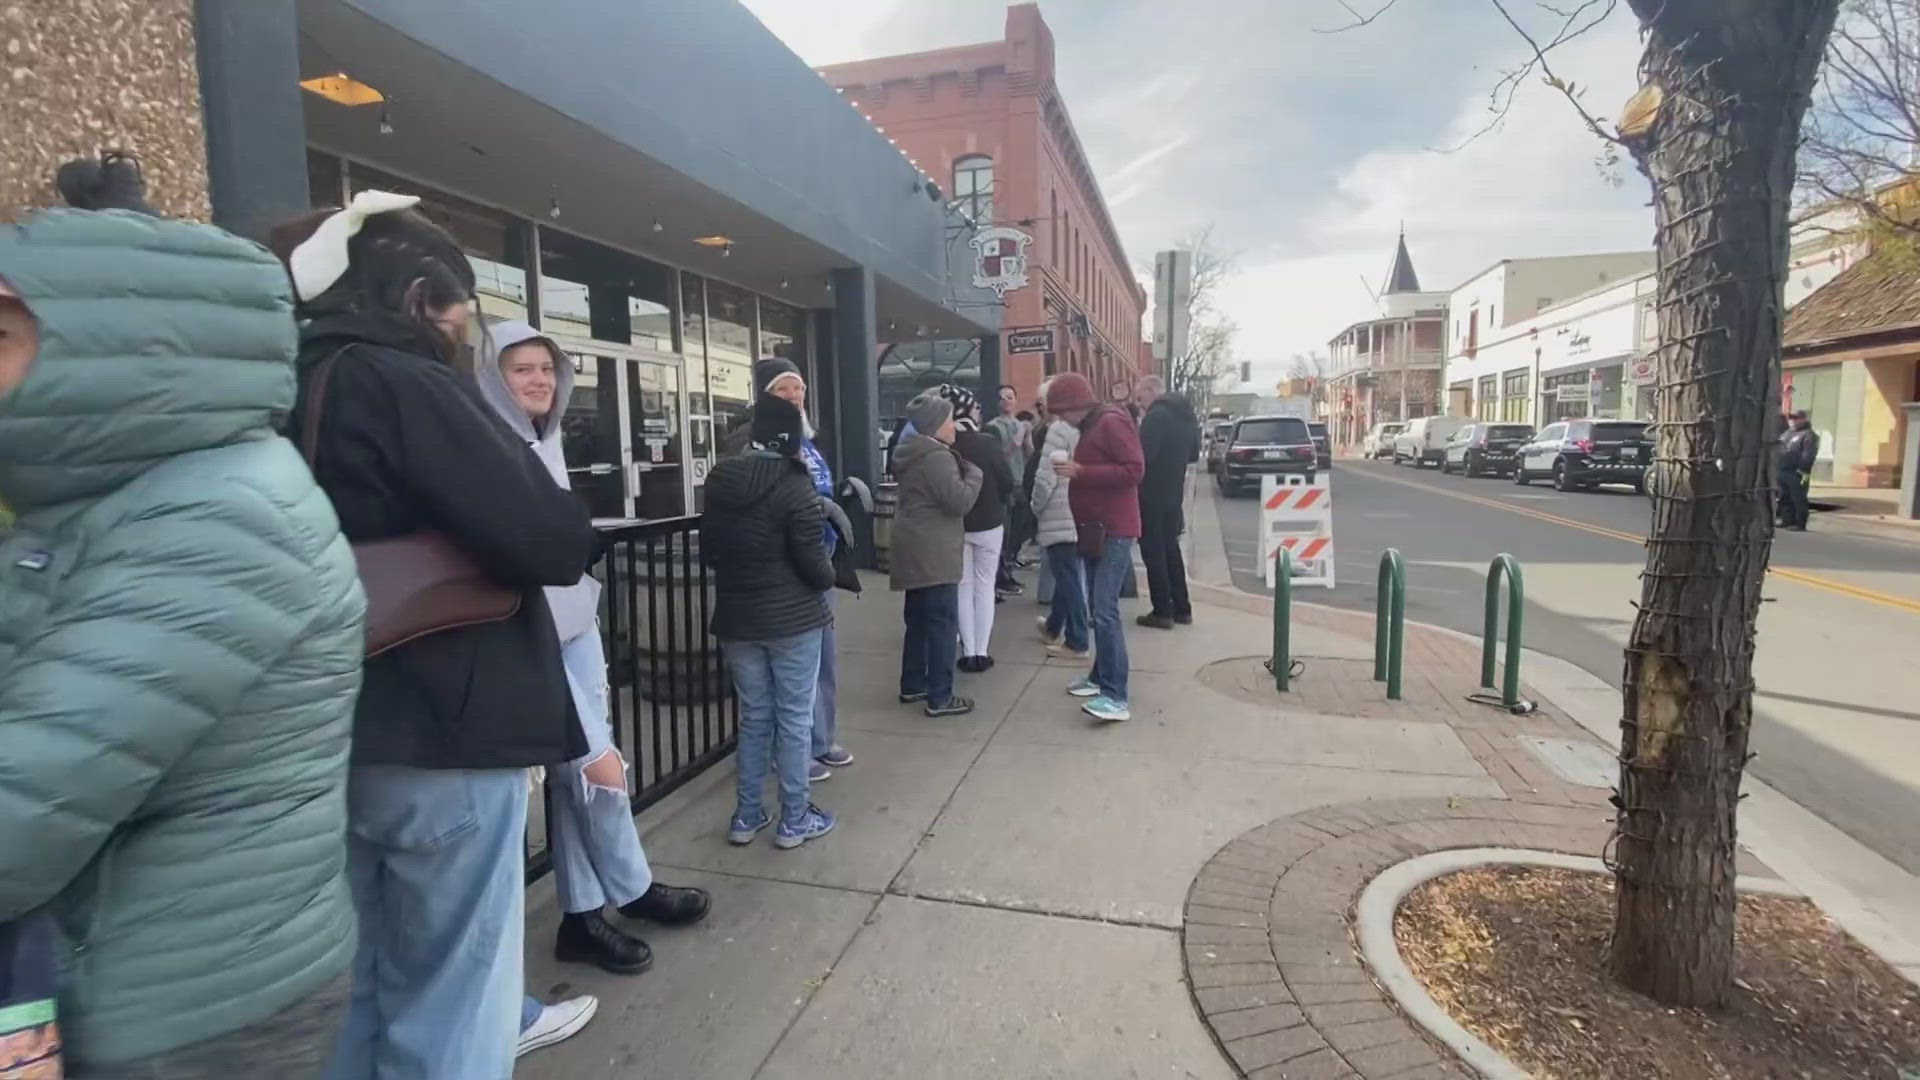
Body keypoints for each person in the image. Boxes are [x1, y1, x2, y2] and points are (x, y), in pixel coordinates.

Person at [0, 171, 363, 1075]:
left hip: (183, 1016)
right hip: (139, 990)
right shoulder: (104, 502)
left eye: (1, 334)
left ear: (105, 345)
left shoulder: (216, 515)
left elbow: (23, 816)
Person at [269, 193, 598, 1080]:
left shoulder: (279, 383)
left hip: (327, 731)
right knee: (455, 996)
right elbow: (549, 537)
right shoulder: (402, 380)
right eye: (465, 314)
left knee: (359, 987)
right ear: (420, 300)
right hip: (444, 728)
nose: (467, 336)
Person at [472, 324, 713, 978]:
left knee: (579, 781)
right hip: (528, 635)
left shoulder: (543, 443)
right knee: (601, 770)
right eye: (522, 369)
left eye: (546, 369)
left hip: (577, 626)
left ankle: (582, 915)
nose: (540, 381)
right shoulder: (486, 449)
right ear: (492, 375)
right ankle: (631, 888)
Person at [703, 391, 839, 849]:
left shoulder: (720, 482)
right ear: (792, 438)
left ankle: (746, 815)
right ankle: (795, 819)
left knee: (755, 716)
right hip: (794, 619)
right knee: (795, 718)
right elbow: (816, 568)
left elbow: (709, 554)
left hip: (738, 620)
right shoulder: (795, 483)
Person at [754, 356, 857, 782]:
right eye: (783, 389)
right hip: (787, 571)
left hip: (820, 566)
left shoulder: (808, 442)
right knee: (792, 670)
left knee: (823, 661)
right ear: (764, 396)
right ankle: (791, 751)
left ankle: (820, 739)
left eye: (798, 388)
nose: (794, 396)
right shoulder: (762, 442)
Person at [1047, 372, 1144, 723]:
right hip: (1096, 529)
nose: (1059, 419)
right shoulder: (1096, 425)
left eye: (1061, 411)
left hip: (1112, 530)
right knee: (1099, 608)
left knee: (1104, 611)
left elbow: (1134, 470)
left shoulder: (1110, 423)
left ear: (1076, 406)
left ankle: (1116, 695)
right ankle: (1100, 678)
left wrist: (1081, 472)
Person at [890, 392, 985, 716]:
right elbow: (958, 501)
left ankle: (913, 684)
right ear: (934, 425)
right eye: (948, 420)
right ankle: (940, 697)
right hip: (935, 549)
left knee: (917, 619)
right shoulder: (936, 457)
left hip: (912, 544)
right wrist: (974, 476)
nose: (954, 426)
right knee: (943, 621)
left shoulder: (909, 452)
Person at [941, 385, 1017, 671]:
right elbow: (1007, 481)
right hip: (989, 523)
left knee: (962, 586)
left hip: (955, 524)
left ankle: (967, 650)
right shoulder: (987, 442)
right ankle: (981, 651)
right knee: (985, 586)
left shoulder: (943, 445)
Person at [1133, 376, 1200, 629]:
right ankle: (1182, 608)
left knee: (1153, 550)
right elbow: (1193, 454)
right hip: (1174, 492)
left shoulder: (1157, 416)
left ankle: (1162, 610)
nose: (1140, 404)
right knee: (1171, 549)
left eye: (1141, 397)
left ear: (1151, 390)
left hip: (1150, 492)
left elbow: (1144, 456)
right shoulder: (1186, 415)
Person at [1030, 389, 1089, 660]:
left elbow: (1046, 477)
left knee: (1067, 579)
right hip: (1083, 511)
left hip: (1059, 513)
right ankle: (1054, 625)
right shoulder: (1089, 428)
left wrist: (1035, 506)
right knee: (1071, 576)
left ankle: (1076, 641)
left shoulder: (1058, 431)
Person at [1777, 409, 1819, 532]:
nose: (1793, 421)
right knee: (1784, 497)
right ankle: (1787, 520)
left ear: (1804, 419)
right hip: (1783, 470)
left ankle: (1800, 523)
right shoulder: (1787, 434)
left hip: (1797, 472)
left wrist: (1801, 470)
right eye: (1791, 418)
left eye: (1796, 418)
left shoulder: (1809, 435)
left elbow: (1808, 455)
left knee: (1798, 498)